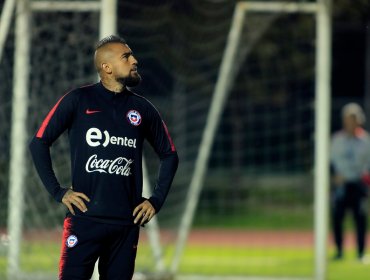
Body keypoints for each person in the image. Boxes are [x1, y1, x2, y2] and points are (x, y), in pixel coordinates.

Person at [29, 35, 179, 280]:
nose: (134, 60)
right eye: (126, 56)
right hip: (84, 221)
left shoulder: (143, 109)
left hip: (125, 226)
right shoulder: (78, 100)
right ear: (106, 67)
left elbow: (170, 156)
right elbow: (38, 143)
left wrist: (156, 200)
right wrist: (58, 191)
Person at [330, 102, 369, 261]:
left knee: (360, 218)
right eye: (348, 118)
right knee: (337, 217)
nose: (351, 122)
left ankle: (360, 253)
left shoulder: (366, 141)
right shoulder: (337, 140)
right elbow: (329, 162)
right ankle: (339, 251)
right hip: (341, 185)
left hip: (358, 185)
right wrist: (334, 176)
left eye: (354, 118)